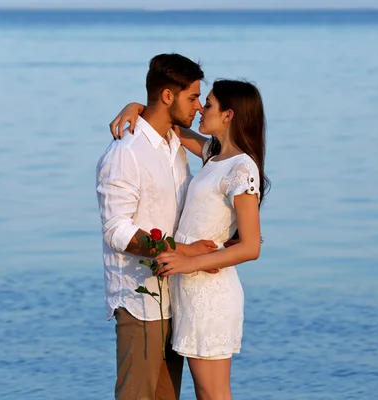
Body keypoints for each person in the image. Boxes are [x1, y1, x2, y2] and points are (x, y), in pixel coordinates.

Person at [109, 79, 269, 400]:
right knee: (204, 393)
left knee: (213, 394)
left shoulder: (242, 169)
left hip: (210, 293)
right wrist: (134, 107)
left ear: (228, 116)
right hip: (189, 291)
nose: (199, 109)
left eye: (207, 104)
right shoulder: (215, 155)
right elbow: (170, 125)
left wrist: (189, 260)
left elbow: (251, 246)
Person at [96, 53, 218, 400]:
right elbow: (116, 230)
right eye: (193, 97)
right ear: (168, 95)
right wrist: (181, 252)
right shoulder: (125, 152)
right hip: (140, 300)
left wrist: (138, 105)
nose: (198, 107)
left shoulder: (174, 142)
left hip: (175, 296)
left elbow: (227, 153)